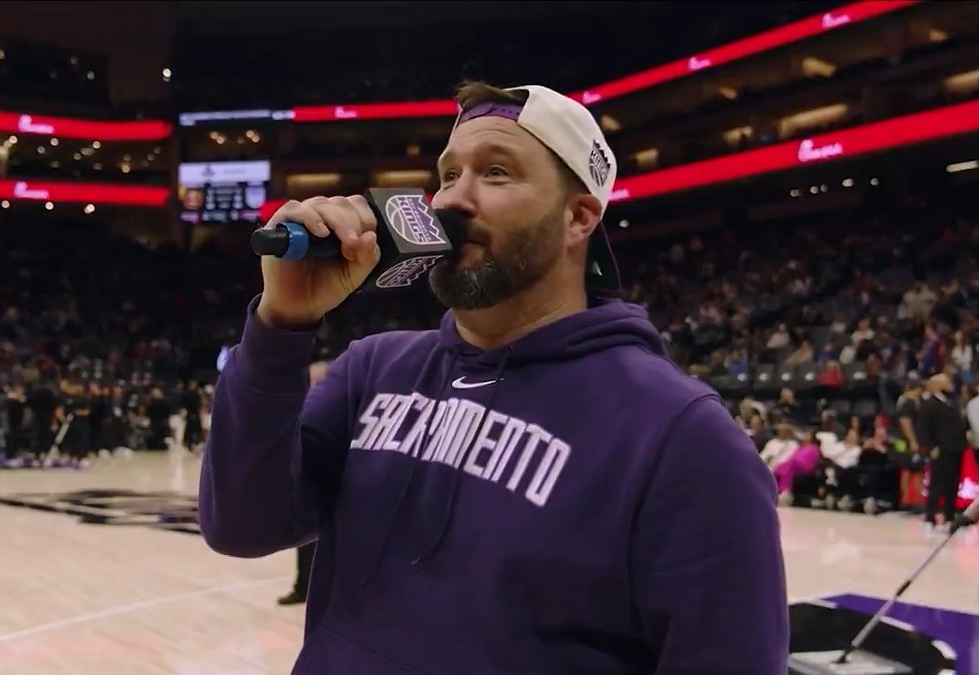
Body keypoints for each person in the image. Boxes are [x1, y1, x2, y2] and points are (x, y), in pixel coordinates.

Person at [199, 81, 788, 673]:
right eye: (449, 175)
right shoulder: (372, 370)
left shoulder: (684, 438)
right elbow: (241, 527)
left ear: (579, 217)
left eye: (497, 172)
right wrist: (280, 324)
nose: (453, 199)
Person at [278, 361, 331, 607]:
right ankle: (303, 588)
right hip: (309, 483)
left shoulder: (342, 408)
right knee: (306, 543)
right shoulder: (301, 409)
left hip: (337, 485)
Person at [920, 373, 968, 530]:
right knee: (936, 484)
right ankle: (930, 516)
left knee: (952, 484)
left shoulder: (953, 402)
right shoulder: (929, 404)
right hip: (940, 449)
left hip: (956, 448)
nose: (950, 384)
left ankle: (949, 515)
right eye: (946, 382)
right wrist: (930, 447)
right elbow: (925, 428)